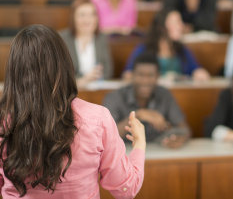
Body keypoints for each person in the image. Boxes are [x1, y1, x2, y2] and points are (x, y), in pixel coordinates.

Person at [0, 25, 145, 198]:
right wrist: (139, 144)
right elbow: (126, 189)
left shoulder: (3, 122)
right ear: (63, 64)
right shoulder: (98, 119)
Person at [104, 52, 190, 148]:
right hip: (125, 154)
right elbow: (107, 136)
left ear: (157, 76)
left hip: (158, 152)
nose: (145, 81)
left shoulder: (165, 95)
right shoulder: (115, 97)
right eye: (140, 75)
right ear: (132, 75)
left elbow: (184, 129)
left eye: (150, 75)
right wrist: (138, 115)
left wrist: (178, 139)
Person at [122, 9, 210, 82]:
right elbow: (128, 75)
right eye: (177, 22)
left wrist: (199, 73)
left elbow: (196, 69)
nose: (181, 26)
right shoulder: (144, 49)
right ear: (162, 27)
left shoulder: (182, 50)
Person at [60, 0, 113, 89]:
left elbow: (108, 71)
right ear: (73, 18)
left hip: (96, 89)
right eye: (82, 15)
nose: (87, 20)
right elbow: (60, 74)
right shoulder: (62, 38)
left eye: (92, 15)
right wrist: (83, 80)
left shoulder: (101, 38)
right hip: (71, 91)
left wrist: (97, 76)